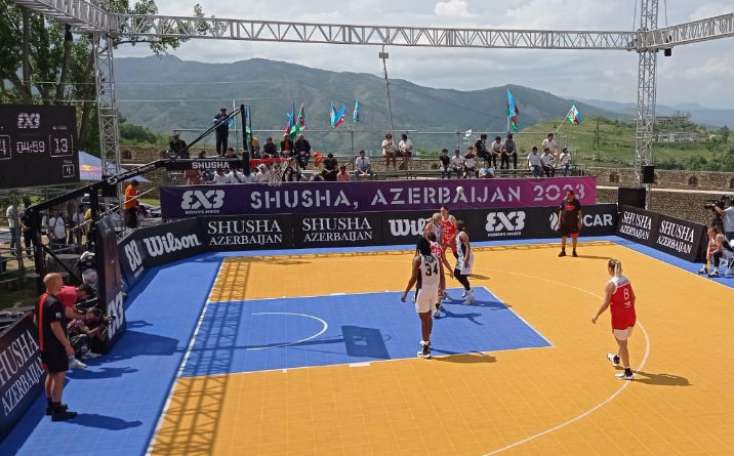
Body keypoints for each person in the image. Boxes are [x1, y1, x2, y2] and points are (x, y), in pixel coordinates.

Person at [37, 273, 80, 421]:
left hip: (44, 344)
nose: (62, 282)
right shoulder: (54, 303)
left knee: (51, 374)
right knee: (59, 376)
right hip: (54, 346)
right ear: (54, 283)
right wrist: (67, 345)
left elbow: (36, 320)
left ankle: (51, 405)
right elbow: (55, 326)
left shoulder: (41, 299)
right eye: (60, 280)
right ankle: (57, 409)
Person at [591, 259, 636, 380]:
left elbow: (606, 304)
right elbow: (633, 297)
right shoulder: (626, 280)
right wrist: (628, 309)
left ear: (610, 269)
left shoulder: (611, 285)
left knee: (623, 344)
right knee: (623, 342)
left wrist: (596, 315)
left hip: (620, 318)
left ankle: (628, 372)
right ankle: (616, 358)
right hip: (631, 315)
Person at [401, 237, 440, 359]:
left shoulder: (418, 259)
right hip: (434, 290)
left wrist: (406, 292)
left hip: (423, 291)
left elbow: (413, 278)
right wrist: (441, 291)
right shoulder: (436, 257)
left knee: (424, 320)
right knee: (428, 317)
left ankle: (425, 349)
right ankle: (428, 339)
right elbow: (441, 276)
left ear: (418, 248)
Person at [454, 220, 474, 304]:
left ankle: (470, 297)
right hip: (461, 257)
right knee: (456, 274)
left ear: (457, 226)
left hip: (465, 257)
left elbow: (468, 247)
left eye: (455, 224)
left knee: (462, 276)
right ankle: (468, 289)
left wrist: (466, 259)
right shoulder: (458, 233)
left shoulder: (462, 234)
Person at [558, 190, 582, 257]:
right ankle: (563, 251)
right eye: (567, 194)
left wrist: (580, 222)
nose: (567, 196)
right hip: (564, 223)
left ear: (572, 195)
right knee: (563, 237)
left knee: (574, 237)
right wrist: (559, 221)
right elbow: (560, 212)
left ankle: (574, 251)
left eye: (569, 195)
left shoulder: (576, 202)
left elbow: (580, 213)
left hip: (574, 223)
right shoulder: (563, 201)